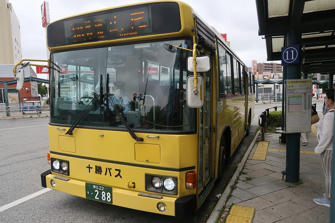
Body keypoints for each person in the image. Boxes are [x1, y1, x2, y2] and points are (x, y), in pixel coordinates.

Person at [313, 89, 334, 208]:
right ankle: (330, 195)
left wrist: (319, 148)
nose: (325, 100)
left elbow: (327, 135)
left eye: (326, 98)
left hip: (328, 150)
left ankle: (328, 198)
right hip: (330, 148)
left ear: (330, 100)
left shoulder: (331, 115)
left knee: (328, 175)